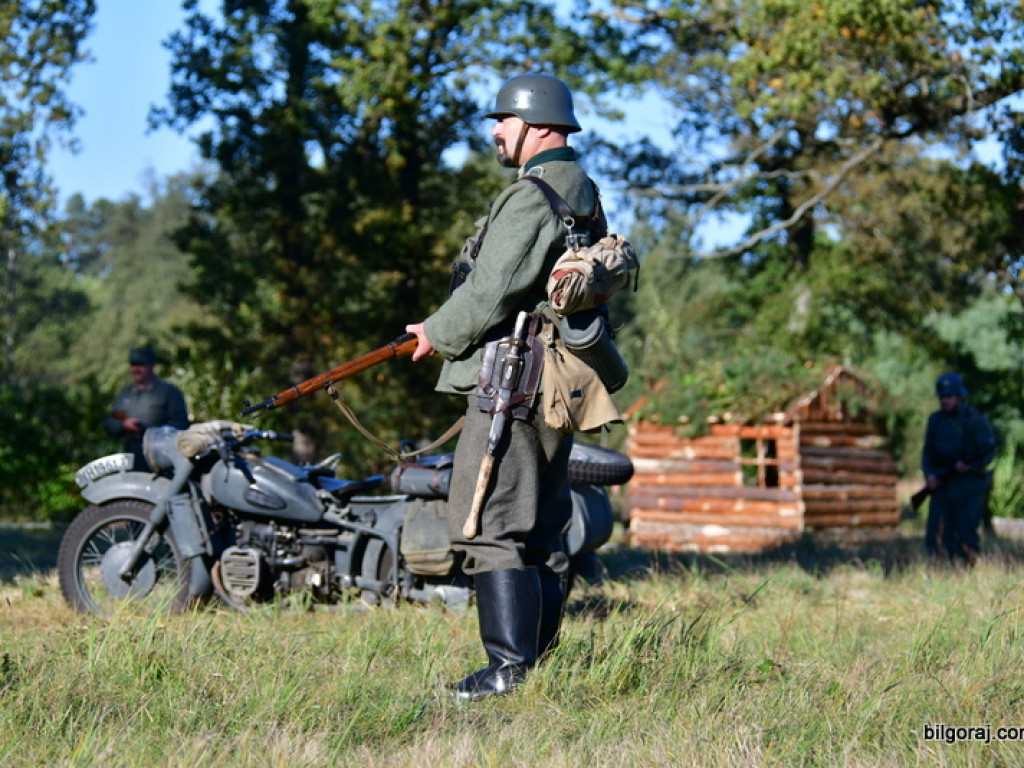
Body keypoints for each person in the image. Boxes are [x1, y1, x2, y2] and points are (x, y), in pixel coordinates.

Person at [405, 73, 608, 700]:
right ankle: (533, 669)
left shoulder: (535, 193)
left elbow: (491, 289)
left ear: (538, 125)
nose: (495, 130)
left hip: (513, 384)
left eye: (504, 120)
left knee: (490, 523)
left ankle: (506, 671)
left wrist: (437, 331)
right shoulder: (583, 189)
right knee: (540, 528)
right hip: (554, 382)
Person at [921, 372, 996, 565]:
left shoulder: (975, 420)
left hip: (968, 486)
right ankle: (939, 572)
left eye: (949, 396)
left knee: (966, 534)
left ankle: (966, 572)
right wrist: (929, 475)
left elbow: (988, 452)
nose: (944, 400)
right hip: (942, 485)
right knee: (936, 535)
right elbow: (928, 452)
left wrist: (969, 466)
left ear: (958, 396)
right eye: (942, 397)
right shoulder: (935, 420)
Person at [103, 346, 191, 471]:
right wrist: (123, 424)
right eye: (133, 364)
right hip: (132, 457)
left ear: (151, 365)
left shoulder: (169, 392)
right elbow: (109, 422)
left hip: (161, 459)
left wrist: (157, 433)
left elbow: (182, 425)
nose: (136, 369)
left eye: (141, 364)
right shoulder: (126, 392)